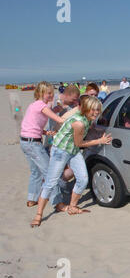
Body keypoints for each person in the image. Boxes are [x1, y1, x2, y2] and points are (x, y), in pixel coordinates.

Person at [30, 96, 112, 227]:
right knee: (50, 183)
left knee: (83, 179)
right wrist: (99, 141)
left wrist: (101, 131)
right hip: (60, 151)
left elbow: (87, 131)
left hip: (73, 150)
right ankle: (38, 215)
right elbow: (80, 142)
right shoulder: (79, 122)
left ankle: (72, 207)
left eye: (98, 110)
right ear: (86, 109)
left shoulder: (87, 119)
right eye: (93, 110)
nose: (96, 112)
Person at [20, 81, 66, 210]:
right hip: (33, 144)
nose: (51, 95)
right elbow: (59, 119)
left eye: (52, 92)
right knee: (50, 173)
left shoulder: (34, 105)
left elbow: (32, 124)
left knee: (36, 172)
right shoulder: (41, 105)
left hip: (25, 141)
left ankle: (32, 199)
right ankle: (58, 203)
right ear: (41, 93)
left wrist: (45, 132)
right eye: (49, 93)